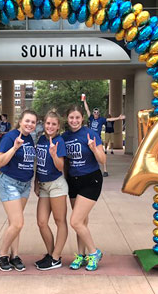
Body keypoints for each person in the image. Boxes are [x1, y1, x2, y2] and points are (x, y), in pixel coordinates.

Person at [62, 105, 106, 271]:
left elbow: (102, 160)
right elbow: (65, 161)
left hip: (91, 180)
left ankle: (94, 253)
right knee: (82, 222)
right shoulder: (64, 137)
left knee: (75, 221)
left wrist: (94, 148)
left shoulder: (91, 134)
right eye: (71, 118)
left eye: (77, 118)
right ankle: (80, 255)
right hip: (73, 181)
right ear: (67, 119)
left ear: (82, 119)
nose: (74, 121)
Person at [0, 110, 37, 272]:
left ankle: (15, 255)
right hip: (9, 183)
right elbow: (0, 162)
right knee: (18, 223)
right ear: (20, 121)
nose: (30, 124)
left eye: (33, 122)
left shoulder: (29, 139)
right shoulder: (10, 137)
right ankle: (2, 253)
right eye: (27, 121)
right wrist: (14, 148)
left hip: (25, 184)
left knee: (14, 223)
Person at [34, 111, 68, 270]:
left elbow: (60, 167)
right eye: (48, 123)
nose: (50, 126)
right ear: (44, 123)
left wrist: (54, 154)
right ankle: (51, 254)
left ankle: (56, 257)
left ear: (58, 126)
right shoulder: (41, 138)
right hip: (43, 186)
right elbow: (39, 162)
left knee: (60, 221)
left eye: (54, 124)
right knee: (41, 222)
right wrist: (36, 181)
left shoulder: (59, 141)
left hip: (56, 185)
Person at [83, 98, 124, 177]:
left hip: (97, 139)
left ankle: (105, 171)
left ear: (99, 114)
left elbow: (110, 119)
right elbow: (87, 109)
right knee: (87, 154)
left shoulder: (101, 119)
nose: (95, 114)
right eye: (94, 112)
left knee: (102, 154)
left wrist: (118, 118)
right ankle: (88, 170)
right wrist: (84, 101)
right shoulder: (91, 118)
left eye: (97, 113)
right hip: (90, 139)